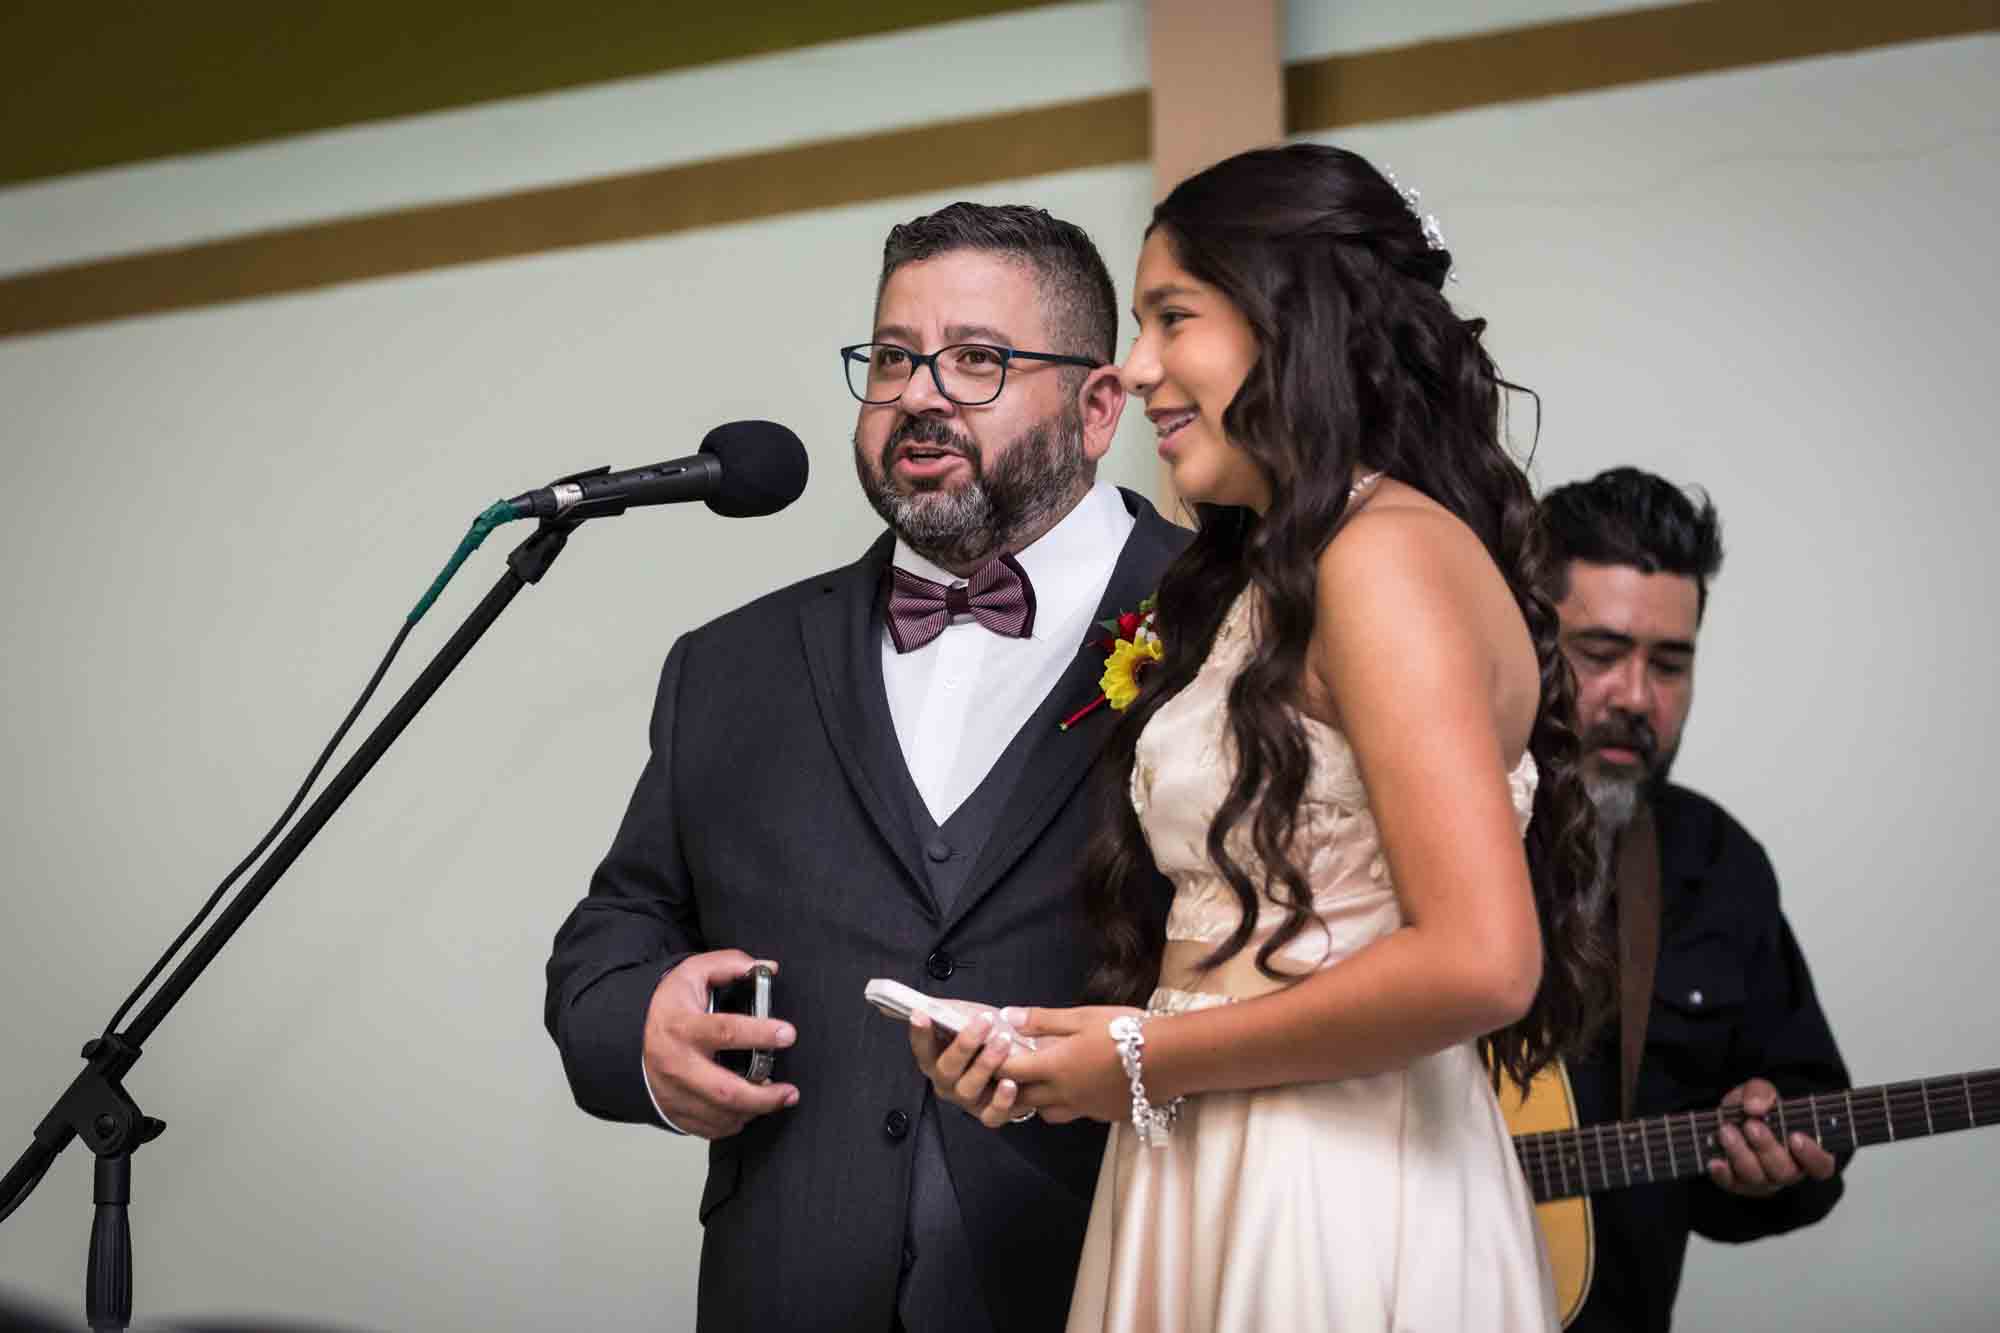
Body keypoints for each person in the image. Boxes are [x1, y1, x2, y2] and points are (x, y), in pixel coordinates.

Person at [915, 143, 1612, 1331]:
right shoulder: (1279, 568)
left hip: (1330, 1193)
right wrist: (1075, 1056)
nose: (1133, 370)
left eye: (1170, 317)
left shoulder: (1382, 555)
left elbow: (1482, 961)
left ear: (1294, 320)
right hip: (1221, 1155)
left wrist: (1141, 1059)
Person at [542, 202, 1189, 1332]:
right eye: (893, 357)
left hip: (1120, 1273)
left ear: (1097, 408)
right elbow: (620, 921)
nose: (920, 395)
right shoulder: (729, 665)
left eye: (977, 360)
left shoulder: (1222, 618)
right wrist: (638, 1027)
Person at [1540, 467, 1849, 1332]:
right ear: (1528, 639)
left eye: (1669, 664)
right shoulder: (1426, 833)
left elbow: (1806, 1107)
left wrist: (1777, 1169)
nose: (1636, 698)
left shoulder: (1718, 862)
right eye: (1599, 654)